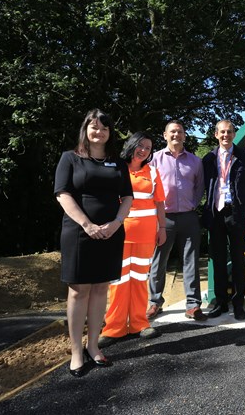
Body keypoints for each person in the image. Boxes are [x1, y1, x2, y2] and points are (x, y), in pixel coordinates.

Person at [54, 109, 133, 377]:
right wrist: (87, 225)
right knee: (79, 291)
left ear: (110, 133)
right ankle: (76, 351)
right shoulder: (70, 158)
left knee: (101, 289)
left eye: (104, 128)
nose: (99, 132)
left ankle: (93, 346)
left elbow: (127, 197)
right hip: (79, 233)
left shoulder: (118, 163)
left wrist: (116, 224)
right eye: (94, 127)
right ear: (85, 129)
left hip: (110, 233)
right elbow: (63, 194)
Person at [99, 132, 166, 348]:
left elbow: (160, 204)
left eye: (148, 147)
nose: (144, 150)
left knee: (139, 279)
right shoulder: (116, 168)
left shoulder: (153, 172)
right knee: (118, 282)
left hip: (146, 235)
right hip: (119, 234)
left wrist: (162, 228)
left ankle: (139, 324)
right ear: (132, 145)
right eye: (141, 146)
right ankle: (113, 328)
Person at [147, 120, 207, 321]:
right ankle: (155, 302)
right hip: (163, 217)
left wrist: (192, 203)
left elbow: (200, 187)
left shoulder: (194, 161)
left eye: (180, 132)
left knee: (190, 261)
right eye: (172, 132)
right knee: (158, 261)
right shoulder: (154, 159)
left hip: (189, 217)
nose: (176, 135)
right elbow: (149, 188)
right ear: (165, 135)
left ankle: (192, 305)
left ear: (184, 136)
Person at [202, 120, 245, 320]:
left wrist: (239, 204)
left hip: (235, 213)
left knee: (238, 259)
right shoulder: (208, 158)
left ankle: (238, 303)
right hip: (215, 214)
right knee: (218, 259)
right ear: (216, 134)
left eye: (230, 132)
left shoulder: (244, 156)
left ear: (234, 134)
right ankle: (221, 303)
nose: (226, 135)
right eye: (222, 132)